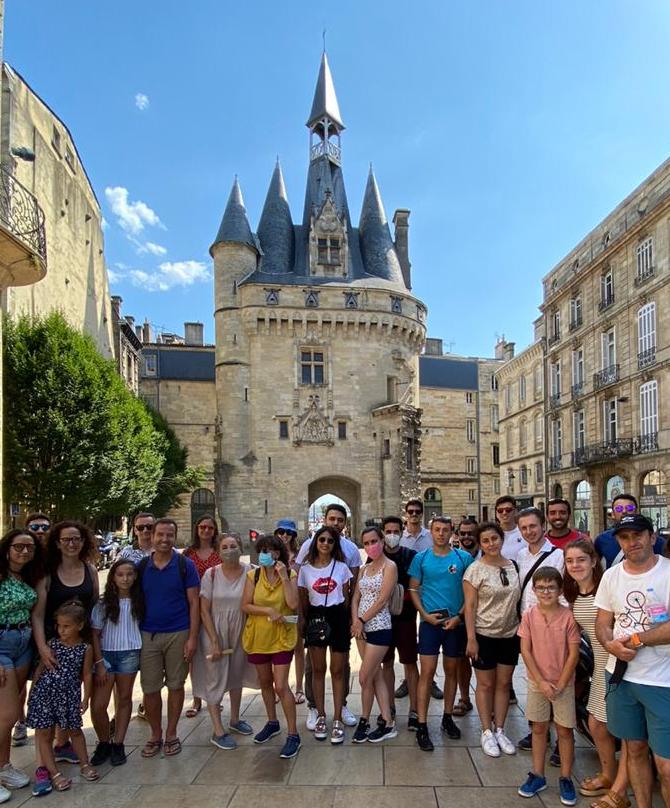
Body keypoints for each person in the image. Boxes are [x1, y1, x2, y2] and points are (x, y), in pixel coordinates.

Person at [594, 514, 670, 808]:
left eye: (638, 534)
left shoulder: (667, 572)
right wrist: (609, 643)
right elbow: (603, 621)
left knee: (665, 766)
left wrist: (637, 640)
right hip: (622, 677)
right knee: (634, 749)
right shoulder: (612, 576)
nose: (632, 542)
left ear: (652, 537)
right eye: (625, 537)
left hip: (662, 680)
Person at [563, 539, 630, 808]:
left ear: (593, 561)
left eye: (581, 559)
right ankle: (608, 774)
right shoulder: (575, 593)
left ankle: (620, 788)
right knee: (596, 724)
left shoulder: (609, 587)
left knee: (624, 731)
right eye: (570, 561)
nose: (575, 565)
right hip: (601, 666)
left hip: (619, 665)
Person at [32, 521, 99, 766]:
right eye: (66, 540)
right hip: (53, 644)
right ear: (57, 543)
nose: (72, 544)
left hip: (79, 645)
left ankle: (61, 744)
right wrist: (42, 647)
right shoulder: (48, 573)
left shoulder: (90, 570)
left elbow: (93, 610)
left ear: (84, 542)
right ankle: (44, 760)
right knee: (48, 699)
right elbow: (37, 614)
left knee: (70, 692)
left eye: (76, 539)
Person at [408, 516, 474, 752]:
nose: (441, 534)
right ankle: (423, 724)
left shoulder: (463, 558)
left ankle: (447, 716)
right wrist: (424, 614)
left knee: (452, 670)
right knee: (426, 672)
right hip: (429, 624)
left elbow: (471, 594)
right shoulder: (421, 558)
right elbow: (413, 588)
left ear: (452, 533)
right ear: (431, 531)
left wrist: (459, 616)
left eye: (445, 530)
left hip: (454, 624)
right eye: (437, 530)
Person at [517, 567, 580, 804]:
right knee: (539, 729)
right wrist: (541, 681)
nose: (546, 592)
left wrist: (561, 683)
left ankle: (565, 777)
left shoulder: (568, 616)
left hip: (563, 684)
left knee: (564, 730)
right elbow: (526, 650)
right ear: (534, 590)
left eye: (551, 587)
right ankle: (537, 773)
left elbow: (573, 654)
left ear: (560, 590)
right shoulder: (529, 615)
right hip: (537, 683)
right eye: (541, 587)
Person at [138, 518, 200, 759]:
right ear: (152, 537)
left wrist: (192, 637)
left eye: (169, 535)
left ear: (175, 537)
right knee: (150, 689)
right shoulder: (143, 567)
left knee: (176, 685)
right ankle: (155, 734)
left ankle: (172, 733)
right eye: (160, 535)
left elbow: (194, 602)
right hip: (148, 634)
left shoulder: (185, 565)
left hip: (178, 632)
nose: (165, 540)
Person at [296, 504, 359, 730]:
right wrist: (302, 620)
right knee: (316, 668)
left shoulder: (345, 561)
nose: (325, 543)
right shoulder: (305, 566)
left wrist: (351, 618)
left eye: (330, 541)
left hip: (338, 616)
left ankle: (339, 713)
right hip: (315, 617)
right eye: (322, 540)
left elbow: (349, 592)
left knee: (339, 669)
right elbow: (302, 596)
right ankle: (318, 711)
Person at [191, 532, 257, 750]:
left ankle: (235, 719)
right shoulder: (210, 575)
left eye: (234, 546)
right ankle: (218, 730)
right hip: (215, 632)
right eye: (225, 547)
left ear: (241, 548)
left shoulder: (250, 572)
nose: (230, 550)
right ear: (218, 552)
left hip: (240, 629)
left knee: (237, 674)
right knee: (215, 678)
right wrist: (215, 641)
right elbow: (204, 610)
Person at [27, 601, 99, 796]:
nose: (61, 630)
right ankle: (54, 773)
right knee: (44, 734)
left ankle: (85, 763)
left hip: (69, 695)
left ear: (80, 626)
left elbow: (86, 675)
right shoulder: (52, 644)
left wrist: (86, 698)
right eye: (59, 626)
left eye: (66, 626)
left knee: (75, 730)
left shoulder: (85, 648)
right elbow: (41, 668)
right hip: (45, 693)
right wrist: (32, 690)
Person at [463, 521, 520, 757]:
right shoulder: (474, 570)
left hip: (510, 634)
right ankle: (486, 730)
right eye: (485, 541)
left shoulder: (514, 566)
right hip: (484, 634)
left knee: (504, 684)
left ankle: (500, 729)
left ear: (501, 539)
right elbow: (470, 606)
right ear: (480, 544)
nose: (490, 544)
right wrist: (471, 638)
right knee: (486, 684)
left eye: (494, 539)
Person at [241, 534, 301, 759]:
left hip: (282, 637)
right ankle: (272, 722)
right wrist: (267, 611)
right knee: (265, 682)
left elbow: (293, 604)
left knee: (281, 686)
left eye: (272, 550)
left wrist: (284, 577)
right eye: (263, 550)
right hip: (258, 637)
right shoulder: (253, 575)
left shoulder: (291, 574)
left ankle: (293, 734)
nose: (268, 554)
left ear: (280, 553)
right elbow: (245, 605)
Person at [515, 507, 565, 754]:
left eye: (532, 526)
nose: (529, 532)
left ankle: (560, 737)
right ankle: (538, 729)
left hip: (554, 627)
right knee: (534, 679)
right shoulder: (521, 555)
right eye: (523, 528)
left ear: (543, 525)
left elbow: (564, 595)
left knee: (556, 680)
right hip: (529, 626)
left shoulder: (558, 556)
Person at [0, 529, 44, 801]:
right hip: (2, 643)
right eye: (19, 547)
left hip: (22, 645)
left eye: (29, 547)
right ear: (7, 549)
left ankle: (4, 766)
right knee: (8, 713)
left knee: (9, 714)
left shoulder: (26, 575)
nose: (25, 551)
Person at [89, 559, 144, 767]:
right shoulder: (104, 603)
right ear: (113, 577)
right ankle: (104, 741)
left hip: (130, 653)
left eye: (129, 574)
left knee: (124, 698)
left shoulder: (139, 601)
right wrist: (99, 661)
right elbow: (94, 634)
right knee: (99, 704)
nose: (125, 579)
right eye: (120, 574)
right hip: (106, 655)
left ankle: (118, 743)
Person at [350, 526, 398, 743]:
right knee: (375, 675)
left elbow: (382, 600)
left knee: (364, 676)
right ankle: (384, 721)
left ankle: (370, 719)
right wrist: (355, 621)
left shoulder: (390, 566)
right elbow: (355, 598)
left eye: (374, 541)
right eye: (366, 543)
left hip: (378, 626)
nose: (371, 546)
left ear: (382, 540)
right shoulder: (364, 569)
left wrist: (361, 620)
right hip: (361, 628)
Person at [396, 499, 443, 703]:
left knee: (427, 638)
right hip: (405, 596)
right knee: (406, 638)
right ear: (406, 514)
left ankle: (429, 679)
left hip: (428, 593)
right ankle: (408, 678)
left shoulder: (429, 536)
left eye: (417, 512)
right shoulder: (399, 537)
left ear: (422, 514)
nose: (414, 515)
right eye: (411, 512)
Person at [379, 515, 419, 730]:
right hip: (383, 618)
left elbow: (416, 585)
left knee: (409, 662)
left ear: (402, 533)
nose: (392, 535)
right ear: (383, 533)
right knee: (386, 663)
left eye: (396, 531)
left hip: (406, 617)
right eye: (388, 531)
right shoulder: (376, 556)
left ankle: (414, 710)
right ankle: (390, 707)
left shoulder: (411, 555)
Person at [183, 515, 221, 718]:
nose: (206, 530)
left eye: (210, 528)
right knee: (195, 656)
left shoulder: (220, 552)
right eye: (202, 527)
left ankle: (215, 697)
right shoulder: (188, 553)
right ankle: (197, 698)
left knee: (215, 653)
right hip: (194, 607)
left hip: (216, 609)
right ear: (197, 529)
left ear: (215, 531)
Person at [275, 519, 306, 705]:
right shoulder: (271, 555)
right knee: (277, 646)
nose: (284, 536)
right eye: (281, 532)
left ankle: (300, 687)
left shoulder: (300, 557)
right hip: (277, 607)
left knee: (298, 647)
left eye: (288, 533)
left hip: (295, 605)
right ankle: (280, 685)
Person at [594, 495, 664, 569]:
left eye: (629, 508)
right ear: (613, 514)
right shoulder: (601, 540)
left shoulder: (654, 540)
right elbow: (595, 566)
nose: (624, 511)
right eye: (619, 509)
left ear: (637, 512)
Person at [453, 518, 479, 717]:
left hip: (485, 617)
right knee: (462, 659)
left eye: (471, 533)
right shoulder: (455, 557)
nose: (467, 537)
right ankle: (465, 698)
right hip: (462, 616)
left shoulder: (487, 554)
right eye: (463, 534)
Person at [494, 496, 525, 561]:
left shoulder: (524, 532)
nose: (504, 513)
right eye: (500, 511)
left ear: (515, 511)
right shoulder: (492, 534)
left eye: (508, 510)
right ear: (496, 513)